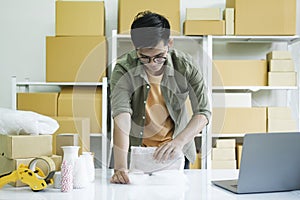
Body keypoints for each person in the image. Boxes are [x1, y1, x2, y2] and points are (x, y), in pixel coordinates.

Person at [110, 11, 211, 184]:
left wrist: (179, 141)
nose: (152, 64)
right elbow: (122, 117)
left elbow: (203, 112)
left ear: (169, 43)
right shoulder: (123, 69)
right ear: (135, 47)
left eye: (159, 57)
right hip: (135, 153)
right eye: (144, 57)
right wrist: (120, 168)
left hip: (175, 152)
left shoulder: (186, 66)